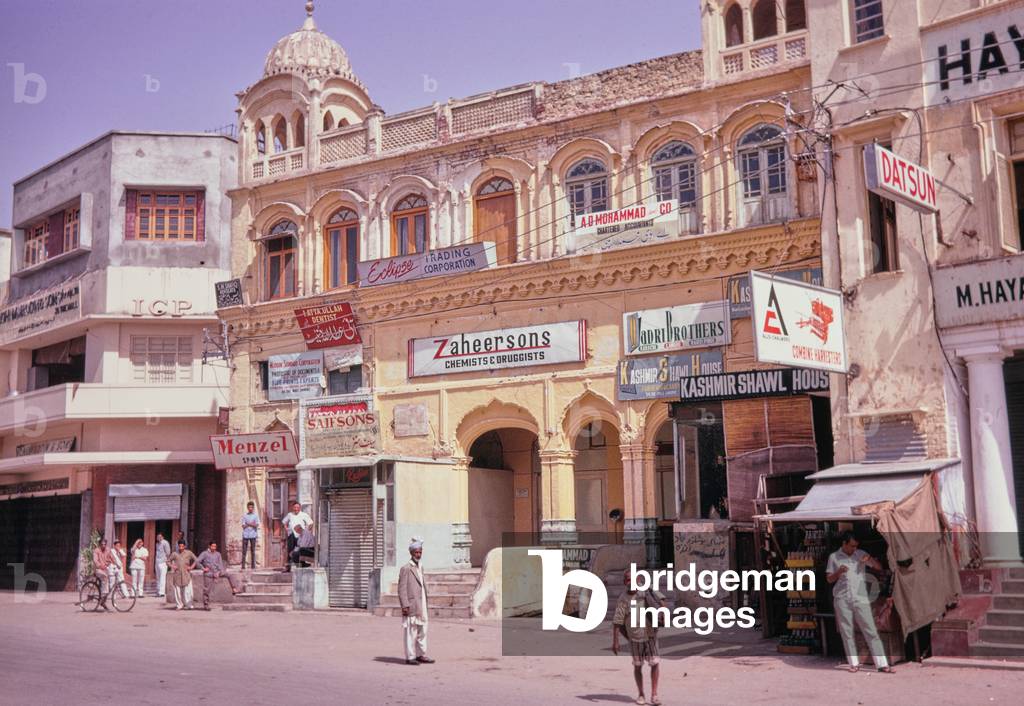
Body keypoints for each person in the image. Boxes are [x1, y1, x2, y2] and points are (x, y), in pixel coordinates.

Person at [826, 531, 893, 673]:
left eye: (856, 546)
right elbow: (829, 579)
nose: (854, 549)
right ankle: (854, 663)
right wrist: (838, 572)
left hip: (860, 598)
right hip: (842, 598)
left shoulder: (860, 553)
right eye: (851, 546)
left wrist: (870, 559)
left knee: (870, 630)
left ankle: (882, 664)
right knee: (847, 631)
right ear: (843, 544)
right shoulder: (834, 557)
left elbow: (878, 567)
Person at [612, 569, 666, 706]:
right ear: (625, 582)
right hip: (635, 637)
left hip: (650, 634)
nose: (630, 582)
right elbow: (617, 621)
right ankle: (641, 694)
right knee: (637, 667)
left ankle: (654, 695)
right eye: (628, 579)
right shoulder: (623, 599)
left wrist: (663, 613)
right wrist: (616, 642)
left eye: (633, 579)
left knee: (655, 663)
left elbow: (661, 599)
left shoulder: (646, 590)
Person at [398, 538, 434, 665]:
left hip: (422, 604)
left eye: (420, 552)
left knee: (423, 630)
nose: (418, 555)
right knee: (411, 632)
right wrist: (405, 605)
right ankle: (410, 657)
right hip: (412, 605)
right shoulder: (406, 568)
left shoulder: (421, 567)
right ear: (411, 553)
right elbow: (401, 589)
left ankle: (421, 655)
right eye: (416, 553)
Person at [195, 540, 240, 610]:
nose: (214, 548)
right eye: (213, 546)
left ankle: (234, 588)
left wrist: (219, 572)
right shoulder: (204, 554)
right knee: (207, 590)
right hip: (209, 573)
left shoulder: (218, 554)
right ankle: (206, 605)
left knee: (230, 575)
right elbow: (197, 562)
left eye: (215, 546)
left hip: (218, 572)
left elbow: (220, 564)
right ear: (209, 546)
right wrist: (203, 568)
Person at [281, 501, 313, 572]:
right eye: (295, 507)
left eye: (298, 507)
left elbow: (311, 523)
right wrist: (287, 529)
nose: (296, 509)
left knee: (300, 550)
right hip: (291, 535)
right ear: (293, 508)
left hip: (300, 536)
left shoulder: (303, 514)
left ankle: (301, 566)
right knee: (290, 551)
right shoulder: (290, 515)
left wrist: (306, 531)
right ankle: (288, 567)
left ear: (300, 508)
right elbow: (284, 522)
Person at [168, 540, 197, 610]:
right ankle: (179, 605)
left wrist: (191, 567)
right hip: (177, 574)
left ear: (184, 546)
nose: (181, 548)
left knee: (187, 591)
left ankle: (189, 605)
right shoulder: (174, 554)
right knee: (177, 591)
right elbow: (168, 561)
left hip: (186, 574)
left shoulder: (188, 553)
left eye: (182, 546)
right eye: (179, 546)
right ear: (178, 546)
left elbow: (196, 560)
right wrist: (172, 566)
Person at [241, 501, 260, 570]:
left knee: (253, 551)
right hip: (245, 535)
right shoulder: (244, 516)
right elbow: (243, 526)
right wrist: (251, 524)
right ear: (247, 508)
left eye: (252, 507)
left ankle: (253, 565)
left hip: (253, 535)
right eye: (249, 507)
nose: (250, 508)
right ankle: (243, 566)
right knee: (244, 551)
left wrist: (249, 524)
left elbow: (256, 525)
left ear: (253, 508)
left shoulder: (255, 516)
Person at [154, 533, 171, 597]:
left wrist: (167, 560)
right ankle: (158, 591)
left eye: (160, 536)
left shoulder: (165, 543)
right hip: (157, 561)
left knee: (162, 577)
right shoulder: (157, 544)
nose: (158, 538)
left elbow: (168, 552)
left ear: (162, 537)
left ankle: (162, 592)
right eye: (157, 537)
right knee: (158, 577)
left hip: (163, 562)